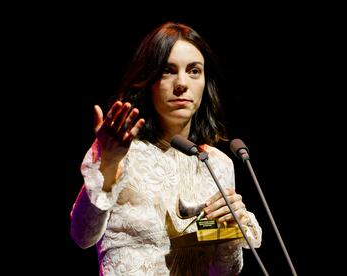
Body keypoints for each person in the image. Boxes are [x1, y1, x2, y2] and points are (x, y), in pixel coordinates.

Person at [70, 21, 262, 275]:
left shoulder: (217, 163)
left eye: (194, 71)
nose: (182, 83)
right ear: (147, 80)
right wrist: (107, 164)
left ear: (206, 82)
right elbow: (82, 236)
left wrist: (230, 230)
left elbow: (225, 271)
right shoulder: (119, 152)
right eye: (167, 71)